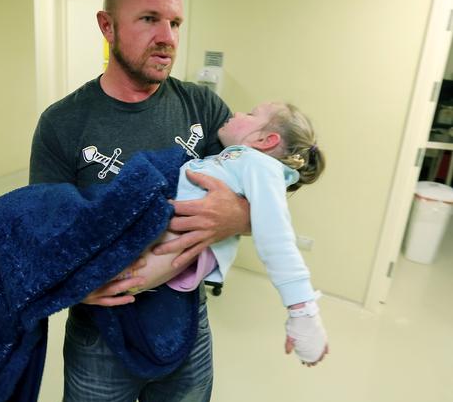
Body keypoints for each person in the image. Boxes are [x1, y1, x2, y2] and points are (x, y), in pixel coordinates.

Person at [30, 0, 250, 402]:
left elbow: (262, 188)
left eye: (175, 23)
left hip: (187, 324)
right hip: (100, 338)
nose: (168, 36)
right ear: (106, 26)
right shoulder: (63, 124)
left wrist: (238, 216)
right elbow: (44, 235)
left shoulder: (203, 108)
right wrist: (75, 284)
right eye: (149, 19)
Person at [115, 101, 329, 365]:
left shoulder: (260, 165)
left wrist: (302, 309)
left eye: (250, 114)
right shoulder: (237, 158)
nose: (237, 113)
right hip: (163, 226)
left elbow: (276, 235)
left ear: (265, 139)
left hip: (179, 239)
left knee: (118, 279)